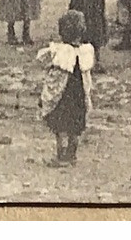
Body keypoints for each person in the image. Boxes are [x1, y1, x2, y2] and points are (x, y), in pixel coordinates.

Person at [37, 10, 95, 167]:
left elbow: (43, 60)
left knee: (61, 127)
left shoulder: (59, 51)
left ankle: (61, 156)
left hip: (62, 95)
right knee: (75, 128)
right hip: (79, 96)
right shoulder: (86, 51)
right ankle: (72, 155)